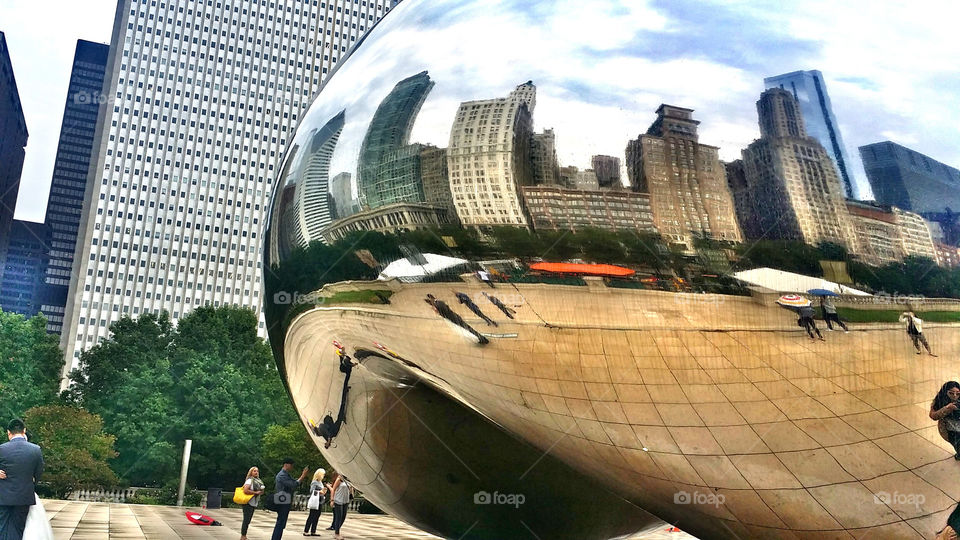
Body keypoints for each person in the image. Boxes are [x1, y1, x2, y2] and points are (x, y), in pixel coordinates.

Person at [0, 419, 46, 540]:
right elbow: (39, 471)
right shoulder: (36, 449)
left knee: (2, 527)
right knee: (19, 527)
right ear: (24, 430)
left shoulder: (1, 449)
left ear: (8, 432)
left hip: (3, 496)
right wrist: (30, 483)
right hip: (24, 495)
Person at [272, 459, 309, 540]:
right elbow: (294, 484)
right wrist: (303, 476)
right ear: (286, 465)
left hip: (284, 500)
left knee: (281, 523)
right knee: (280, 523)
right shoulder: (282, 475)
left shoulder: (285, 475)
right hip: (283, 501)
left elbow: (294, 482)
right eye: (291, 465)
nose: (292, 467)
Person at [930, 381, 960, 459]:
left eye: (958, 393)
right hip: (951, 431)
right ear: (945, 392)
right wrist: (947, 408)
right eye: (951, 393)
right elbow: (933, 416)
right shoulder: (940, 400)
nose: (955, 396)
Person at [239, 466, 265, 540]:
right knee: (246, 519)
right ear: (251, 472)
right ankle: (243, 536)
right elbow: (245, 490)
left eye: (257, 471)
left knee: (248, 519)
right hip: (248, 502)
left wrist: (261, 491)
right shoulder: (249, 480)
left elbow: (260, 492)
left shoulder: (258, 481)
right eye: (254, 471)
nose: (256, 472)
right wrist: (255, 492)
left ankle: (244, 535)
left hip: (253, 502)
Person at [302, 469, 327, 537]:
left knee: (317, 515)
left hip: (320, 500)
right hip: (316, 500)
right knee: (312, 515)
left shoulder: (320, 482)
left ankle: (313, 530)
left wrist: (324, 491)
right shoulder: (314, 482)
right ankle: (306, 530)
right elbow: (311, 491)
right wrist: (319, 492)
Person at [330, 473, 354, 540]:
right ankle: (337, 533)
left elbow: (351, 488)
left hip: (346, 501)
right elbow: (333, 489)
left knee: (343, 517)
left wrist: (351, 493)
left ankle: (336, 530)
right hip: (338, 500)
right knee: (339, 517)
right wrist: (332, 500)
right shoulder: (339, 479)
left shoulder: (348, 480)